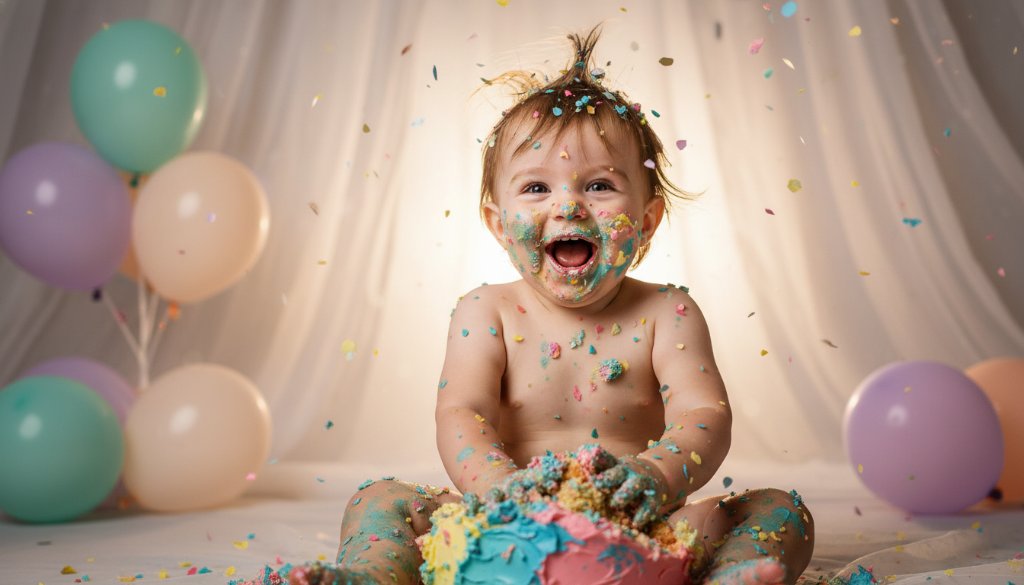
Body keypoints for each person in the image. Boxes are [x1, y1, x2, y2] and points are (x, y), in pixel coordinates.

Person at [291, 26, 814, 585]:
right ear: (497, 225)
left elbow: (703, 414)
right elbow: (461, 413)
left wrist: (653, 476)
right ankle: (372, 576)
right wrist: (496, 489)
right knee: (380, 498)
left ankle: (729, 578)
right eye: (537, 188)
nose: (568, 206)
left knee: (778, 508)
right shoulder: (484, 312)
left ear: (646, 221)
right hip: (505, 526)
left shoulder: (668, 313)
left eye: (598, 186)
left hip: (638, 527)